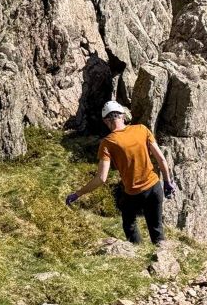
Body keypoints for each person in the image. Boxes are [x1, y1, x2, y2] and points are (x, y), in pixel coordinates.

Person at [66, 101, 176, 245]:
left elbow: (101, 178)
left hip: (133, 193)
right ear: (123, 116)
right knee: (157, 229)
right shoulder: (142, 129)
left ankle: (137, 252)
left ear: (106, 121)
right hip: (154, 187)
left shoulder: (108, 143)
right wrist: (167, 182)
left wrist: (78, 193)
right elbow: (161, 159)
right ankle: (163, 259)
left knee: (129, 225)